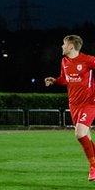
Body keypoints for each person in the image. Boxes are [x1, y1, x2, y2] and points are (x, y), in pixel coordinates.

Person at [45, 35, 95, 181]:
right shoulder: (64, 61)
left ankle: (93, 167)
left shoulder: (88, 60)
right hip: (74, 105)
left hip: (89, 103)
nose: (62, 46)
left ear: (71, 46)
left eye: (64, 44)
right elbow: (65, 79)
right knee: (86, 136)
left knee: (79, 134)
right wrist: (54, 80)